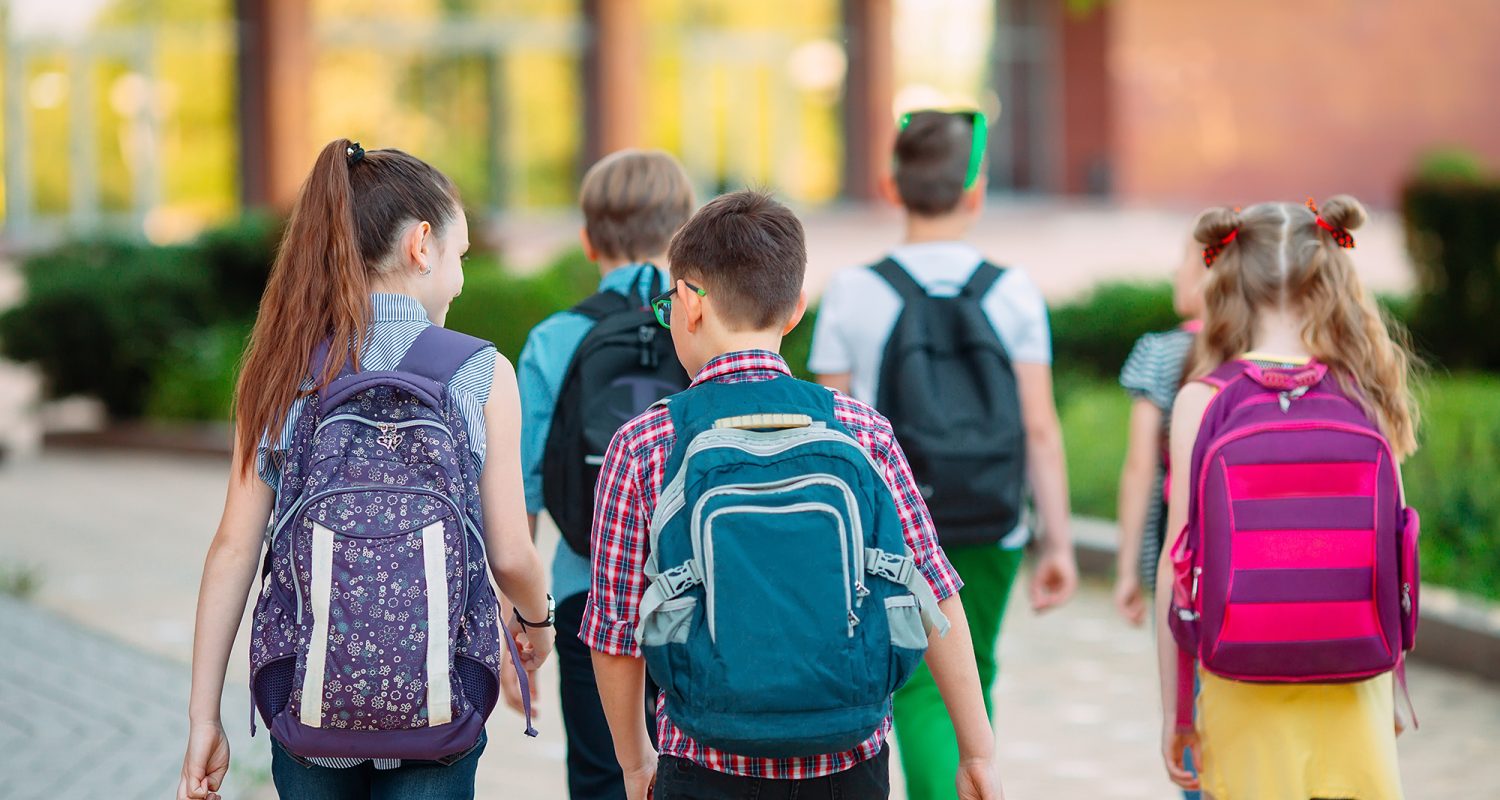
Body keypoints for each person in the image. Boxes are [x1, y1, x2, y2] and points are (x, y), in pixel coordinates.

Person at [582, 190, 1003, 800]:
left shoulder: (645, 442)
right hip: (848, 761)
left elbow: (616, 631)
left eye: (669, 301)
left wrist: (634, 761)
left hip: (706, 763)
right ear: (796, 308)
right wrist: (978, 750)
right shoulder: (861, 429)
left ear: (692, 304)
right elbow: (933, 588)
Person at [177, 139, 554, 800]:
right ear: (422, 246)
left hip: (309, 696)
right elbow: (512, 555)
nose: (461, 278)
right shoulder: (482, 374)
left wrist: (203, 717)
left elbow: (233, 549)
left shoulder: (284, 370)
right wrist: (536, 624)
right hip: (441, 692)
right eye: (460, 258)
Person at [808, 109, 1076, 800]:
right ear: (976, 191)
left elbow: (831, 433)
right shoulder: (1013, 290)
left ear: (890, 186)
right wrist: (1059, 543)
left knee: (921, 687)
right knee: (976, 668)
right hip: (993, 520)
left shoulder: (852, 292)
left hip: (890, 530)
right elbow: (1040, 428)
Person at [1155, 196, 1417, 800]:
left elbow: (1178, 569)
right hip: (1357, 682)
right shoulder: (1362, 391)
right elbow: (1395, 548)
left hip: (1241, 684)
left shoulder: (1203, 398)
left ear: (1228, 281)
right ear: (1330, 276)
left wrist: (1178, 712)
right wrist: (1397, 687)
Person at [515, 148, 694, 799]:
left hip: (584, 592)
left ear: (588, 239)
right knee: (694, 770)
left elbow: (524, 489)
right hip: (696, 586)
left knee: (602, 774)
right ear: (684, 233)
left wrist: (521, 615)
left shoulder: (554, 339)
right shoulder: (701, 326)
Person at [1114, 239, 1206, 627]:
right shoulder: (1260, 358)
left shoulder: (1161, 353)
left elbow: (1141, 468)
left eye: (1184, 261)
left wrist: (1127, 569)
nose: (1176, 273)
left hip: (1177, 556)